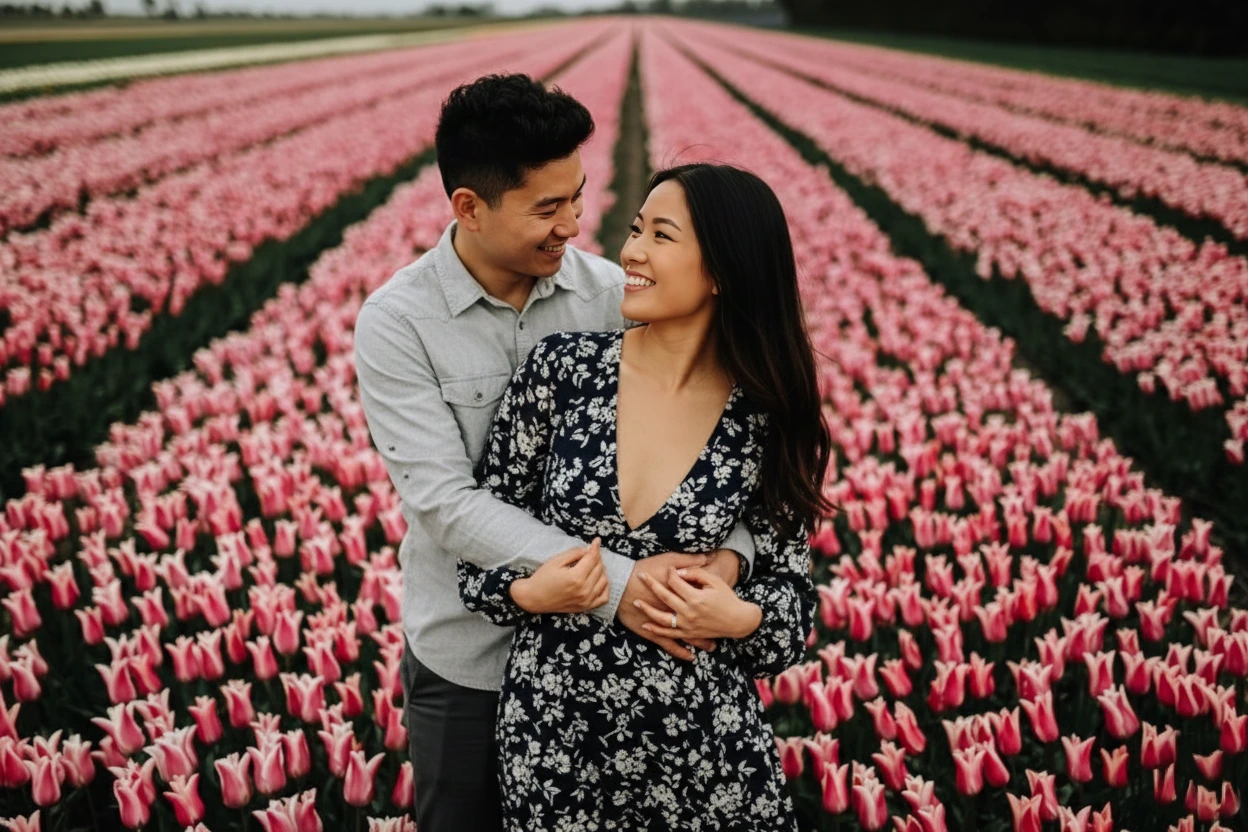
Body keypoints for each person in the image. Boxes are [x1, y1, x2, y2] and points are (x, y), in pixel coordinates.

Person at [353, 75, 758, 832]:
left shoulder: (610, 297)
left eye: (577, 196)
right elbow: (445, 502)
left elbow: (722, 448)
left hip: (606, 663)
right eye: (547, 207)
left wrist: (724, 562)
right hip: (472, 652)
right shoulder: (399, 324)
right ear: (468, 207)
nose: (574, 223)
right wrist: (621, 582)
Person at [457, 162, 831, 830]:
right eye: (635, 230)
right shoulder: (564, 371)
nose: (629, 251)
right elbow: (478, 553)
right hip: (555, 746)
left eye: (660, 235)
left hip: (703, 755)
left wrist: (736, 617)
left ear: (721, 270)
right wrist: (525, 595)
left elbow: (791, 610)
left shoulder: (763, 415)